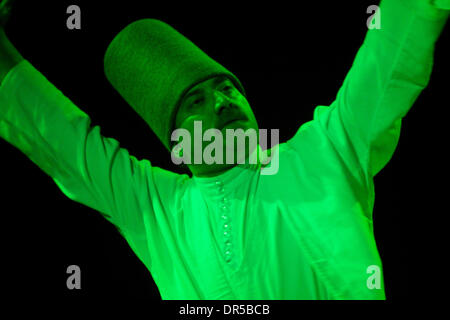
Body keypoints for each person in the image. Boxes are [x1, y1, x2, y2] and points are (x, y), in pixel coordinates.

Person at [0, 0, 448, 300]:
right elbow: (57, 136)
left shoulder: (320, 155)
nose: (223, 101)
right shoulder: (160, 209)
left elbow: (385, 62)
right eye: (197, 100)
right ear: (176, 137)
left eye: (229, 88)